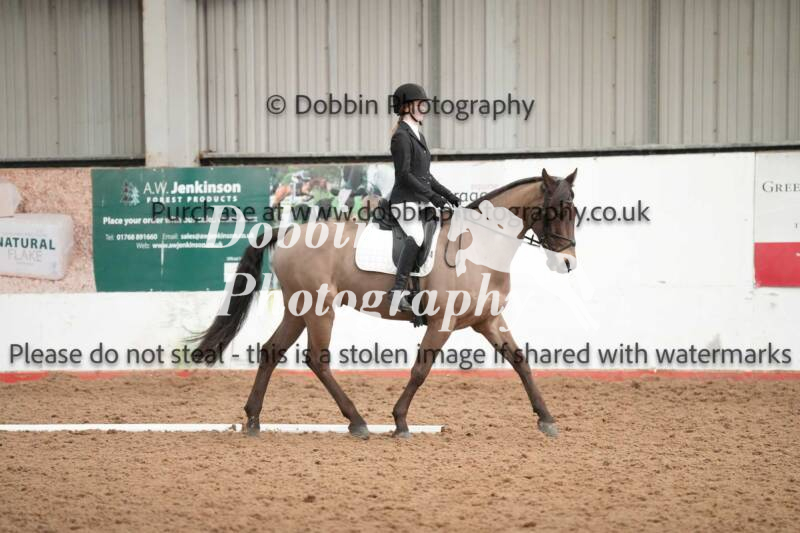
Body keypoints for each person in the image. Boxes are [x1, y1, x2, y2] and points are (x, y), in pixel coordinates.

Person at [388, 83, 460, 312]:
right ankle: (396, 292)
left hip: (419, 200)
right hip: (404, 201)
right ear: (406, 107)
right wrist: (432, 196)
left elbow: (425, 175)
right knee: (417, 237)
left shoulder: (418, 134)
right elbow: (404, 175)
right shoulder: (401, 136)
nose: (424, 109)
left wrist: (447, 195)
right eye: (419, 105)